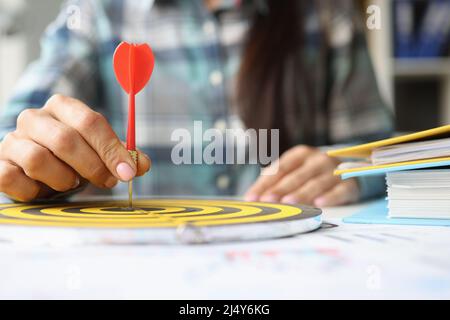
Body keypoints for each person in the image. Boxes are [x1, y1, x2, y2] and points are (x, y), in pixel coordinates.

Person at [0, 0, 392, 206]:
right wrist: (33, 160)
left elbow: (381, 155)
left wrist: (344, 169)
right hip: (144, 265)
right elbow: (11, 136)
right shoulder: (97, 10)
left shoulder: (324, 10)